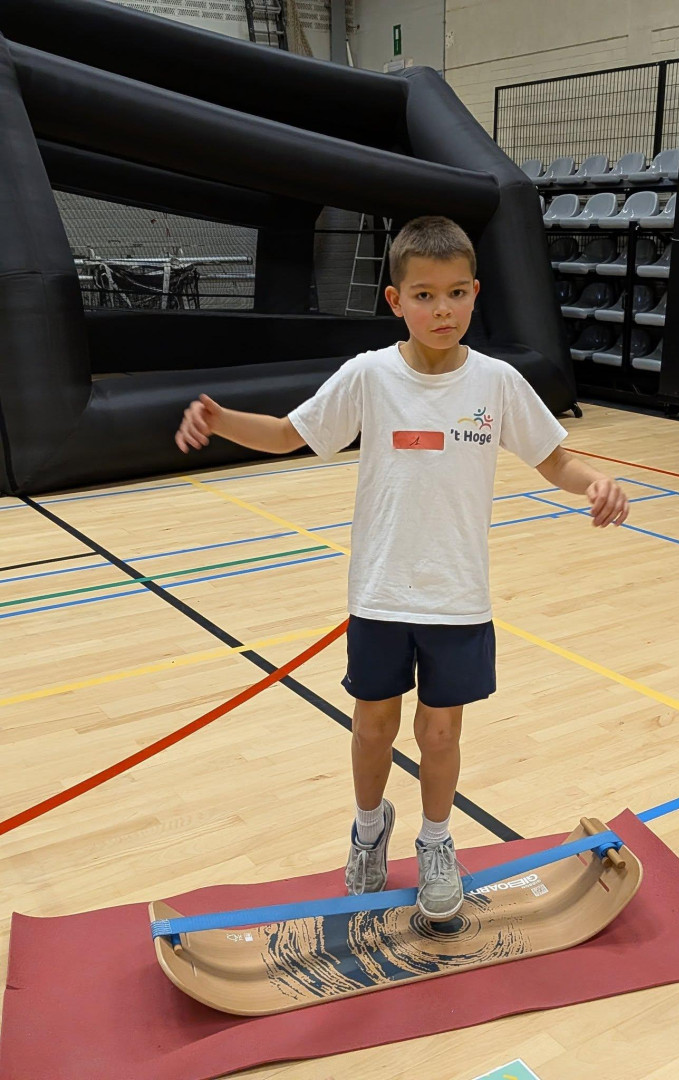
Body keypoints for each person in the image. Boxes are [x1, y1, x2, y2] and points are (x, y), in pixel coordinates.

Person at [175, 215, 629, 922]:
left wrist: (594, 481)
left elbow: (554, 460)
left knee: (441, 733)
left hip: (457, 596)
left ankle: (438, 842)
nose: (442, 309)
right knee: (372, 727)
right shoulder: (370, 376)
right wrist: (221, 418)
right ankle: (368, 831)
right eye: (424, 295)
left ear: (475, 292)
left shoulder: (498, 383)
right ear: (395, 300)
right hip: (382, 591)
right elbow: (290, 435)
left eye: (456, 293)